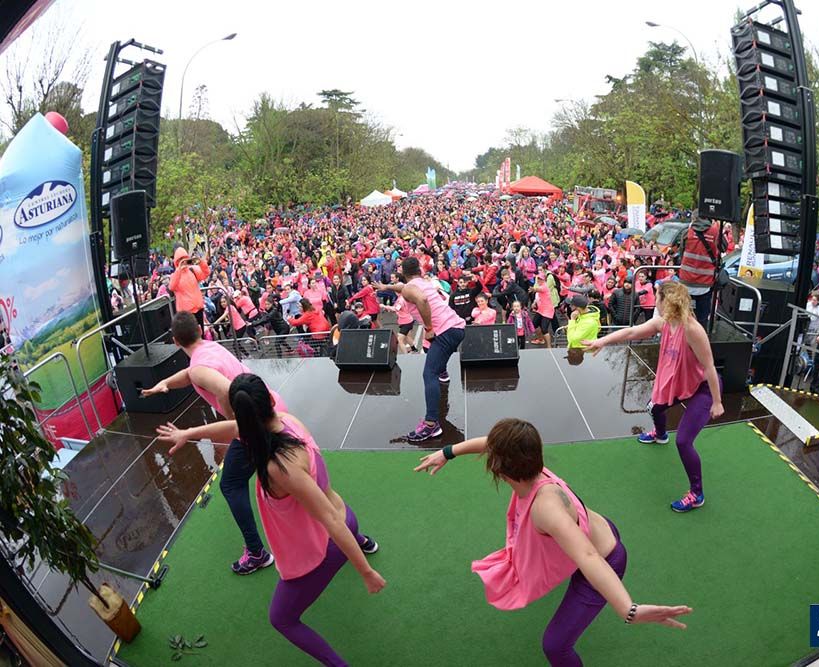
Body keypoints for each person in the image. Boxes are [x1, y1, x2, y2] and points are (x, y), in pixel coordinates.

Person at [414, 418, 691, 666]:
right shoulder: (532, 463)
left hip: (603, 559)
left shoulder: (545, 509)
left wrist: (629, 610)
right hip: (601, 527)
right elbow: (491, 443)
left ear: (499, 469)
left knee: (555, 646)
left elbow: (588, 558)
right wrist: (446, 453)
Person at [155, 373, 384, 665]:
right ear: (270, 400)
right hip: (346, 516)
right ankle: (363, 541)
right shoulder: (288, 421)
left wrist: (365, 572)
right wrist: (188, 432)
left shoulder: (279, 466)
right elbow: (233, 428)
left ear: (248, 417)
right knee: (342, 523)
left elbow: (329, 521)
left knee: (282, 619)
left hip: (328, 546)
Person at [140, 312, 283, 574]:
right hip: (271, 410)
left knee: (231, 484)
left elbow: (227, 390)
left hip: (254, 424)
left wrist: (233, 421)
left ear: (175, 341)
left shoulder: (199, 368)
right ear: (199, 330)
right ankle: (343, 530)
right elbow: (192, 373)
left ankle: (256, 553)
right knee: (291, 472)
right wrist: (165, 383)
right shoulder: (209, 348)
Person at [582, 281, 724, 512]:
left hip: (703, 388)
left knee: (684, 441)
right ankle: (660, 434)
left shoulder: (693, 330)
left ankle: (697, 494)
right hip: (680, 382)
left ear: (665, 302)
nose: (653, 299)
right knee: (655, 407)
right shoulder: (663, 323)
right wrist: (602, 341)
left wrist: (717, 402)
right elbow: (631, 331)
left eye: (656, 296)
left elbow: (709, 368)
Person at [377, 256, 466, 442]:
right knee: (437, 362)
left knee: (428, 374)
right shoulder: (421, 282)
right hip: (457, 327)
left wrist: (428, 329)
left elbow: (422, 300)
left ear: (403, 273)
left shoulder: (412, 288)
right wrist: (387, 287)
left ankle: (431, 425)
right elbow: (405, 288)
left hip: (444, 332)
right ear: (420, 270)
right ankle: (443, 372)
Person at [678, 218, 725, 330]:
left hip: (686, 281)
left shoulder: (687, 232)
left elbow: (681, 253)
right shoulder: (715, 232)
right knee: (702, 318)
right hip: (705, 283)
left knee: (683, 316)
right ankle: (700, 341)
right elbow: (724, 247)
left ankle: (682, 342)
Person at [169, 246, 210, 328]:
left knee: (200, 334)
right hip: (186, 314)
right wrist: (179, 270)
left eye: (185, 259)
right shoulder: (175, 275)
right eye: (181, 260)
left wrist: (201, 262)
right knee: (191, 337)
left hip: (198, 309)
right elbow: (172, 287)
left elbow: (206, 274)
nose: (183, 262)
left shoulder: (192, 270)